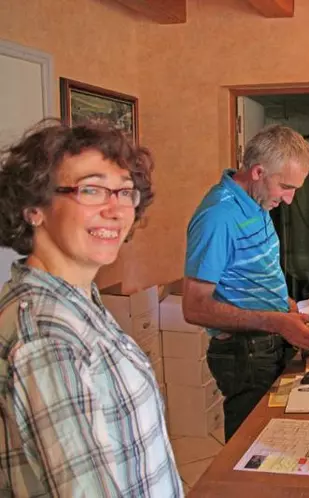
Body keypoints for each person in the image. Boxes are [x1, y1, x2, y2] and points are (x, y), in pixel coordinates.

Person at [0, 121, 182, 496]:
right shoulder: (48, 337)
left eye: (125, 192)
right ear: (34, 208)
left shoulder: (78, 301)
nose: (115, 210)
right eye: (92, 190)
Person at [182, 124, 309, 441]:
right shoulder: (218, 216)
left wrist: (289, 307)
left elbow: (255, 273)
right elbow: (194, 308)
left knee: (277, 441)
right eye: (286, 187)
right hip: (244, 354)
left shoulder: (256, 202)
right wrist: (275, 321)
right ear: (259, 171)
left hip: (268, 344)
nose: (289, 200)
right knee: (249, 448)